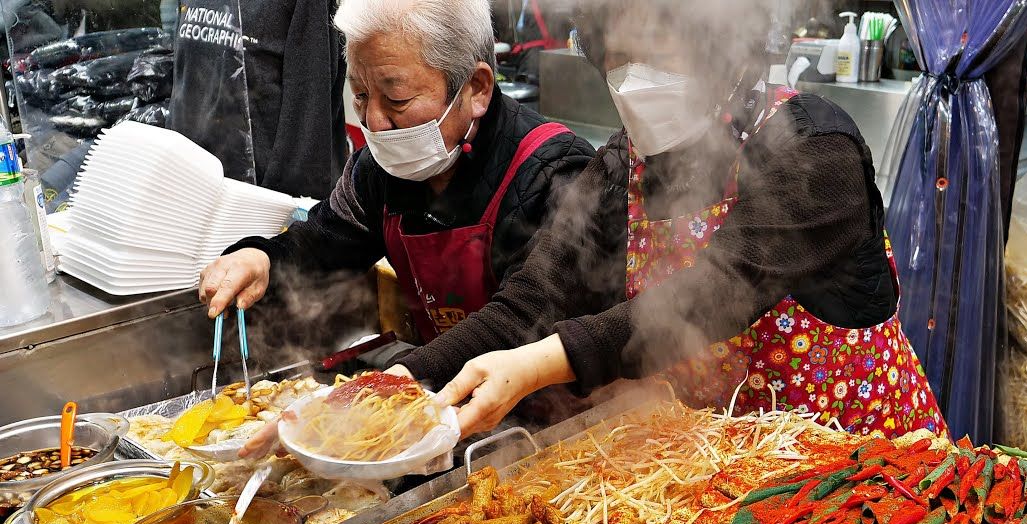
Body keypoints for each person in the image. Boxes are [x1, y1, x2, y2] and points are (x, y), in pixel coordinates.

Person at [388, 0, 947, 440]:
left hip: (865, 468)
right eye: (618, 58)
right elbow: (533, 299)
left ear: (718, 49)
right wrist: (402, 383)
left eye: (658, 51)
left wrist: (537, 365)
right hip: (723, 477)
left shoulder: (814, 149)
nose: (634, 78)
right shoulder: (621, 166)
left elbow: (715, 292)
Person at [197, 0, 595, 339]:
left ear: (476, 88)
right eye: (361, 95)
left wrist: (407, 377)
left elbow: (519, 322)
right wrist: (262, 258)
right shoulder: (378, 172)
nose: (374, 122)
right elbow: (323, 243)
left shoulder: (554, 173)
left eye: (397, 99)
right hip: (441, 403)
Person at [170, 0, 348, 200]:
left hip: (259, 200)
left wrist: (278, 211)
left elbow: (311, 111)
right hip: (193, 184)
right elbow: (184, 79)